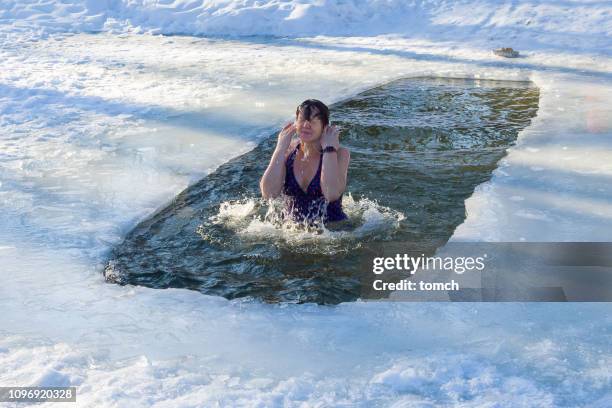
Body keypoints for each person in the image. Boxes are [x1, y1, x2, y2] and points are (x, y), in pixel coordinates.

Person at [260, 99, 350, 224]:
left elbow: (331, 194)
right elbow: (269, 193)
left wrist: (329, 149)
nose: (306, 125)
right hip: (291, 231)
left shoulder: (339, 154)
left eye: (313, 121)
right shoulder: (288, 150)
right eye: (302, 120)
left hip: (333, 231)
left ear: (324, 126)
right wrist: (280, 149)